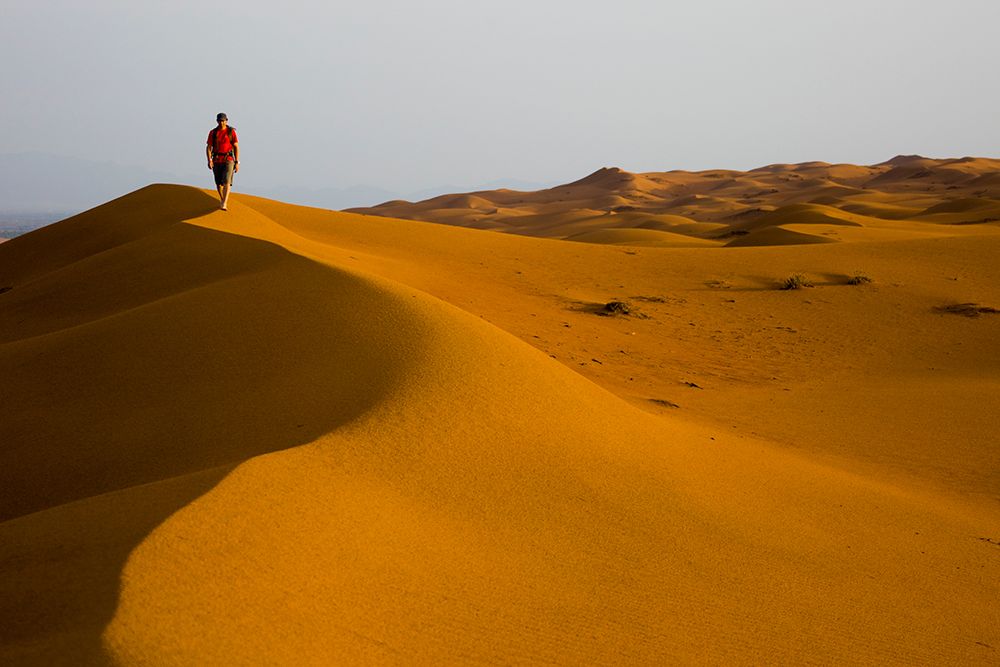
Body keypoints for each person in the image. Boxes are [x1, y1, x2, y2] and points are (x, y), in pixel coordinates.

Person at [206, 112, 239, 210]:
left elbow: (236, 147)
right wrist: (209, 160)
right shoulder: (213, 133)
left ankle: (224, 202)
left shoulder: (231, 132)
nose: (221, 123)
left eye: (223, 121)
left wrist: (237, 162)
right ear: (217, 121)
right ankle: (222, 199)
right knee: (218, 183)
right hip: (216, 159)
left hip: (228, 159)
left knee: (227, 181)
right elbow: (208, 147)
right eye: (220, 121)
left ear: (226, 121)